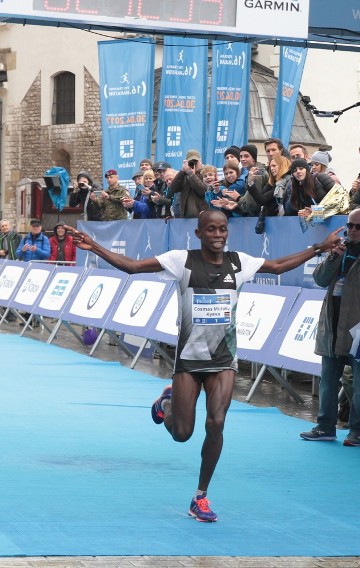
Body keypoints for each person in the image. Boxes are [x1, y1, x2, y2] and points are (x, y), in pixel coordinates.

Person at [66, 210, 343, 522]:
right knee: (182, 433)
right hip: (189, 361)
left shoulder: (238, 262)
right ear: (199, 234)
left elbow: (277, 266)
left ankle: (201, 497)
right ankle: (168, 402)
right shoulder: (181, 260)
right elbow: (132, 267)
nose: (217, 235)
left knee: (216, 423)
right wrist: (96, 247)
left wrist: (319, 248)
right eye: (210, 230)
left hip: (223, 360)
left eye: (222, 229)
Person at [301, 208, 360, 446]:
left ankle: (357, 431)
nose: (352, 230)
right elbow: (320, 280)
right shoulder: (339, 249)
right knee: (328, 381)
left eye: (358, 226)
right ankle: (325, 427)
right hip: (333, 323)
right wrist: (333, 256)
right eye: (349, 226)